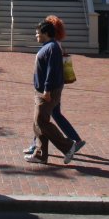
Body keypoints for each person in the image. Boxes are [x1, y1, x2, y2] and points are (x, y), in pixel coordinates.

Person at [24, 14, 85, 156]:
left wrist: (47, 89)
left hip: (50, 89)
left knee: (41, 120)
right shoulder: (52, 46)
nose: (36, 34)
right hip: (50, 87)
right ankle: (39, 149)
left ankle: (68, 145)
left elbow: (51, 70)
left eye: (39, 32)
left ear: (48, 31)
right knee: (42, 118)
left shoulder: (53, 47)